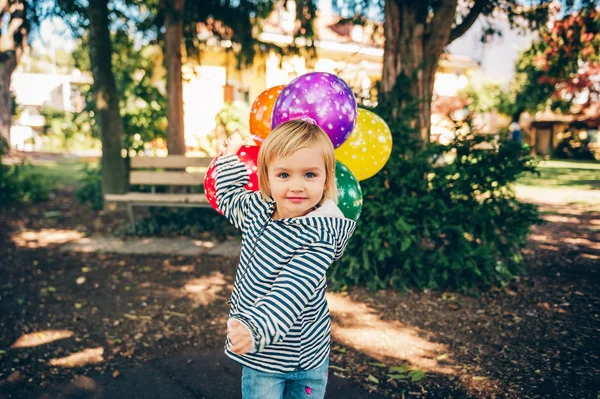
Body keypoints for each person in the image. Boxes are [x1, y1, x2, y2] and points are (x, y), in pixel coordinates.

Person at [214, 119, 356, 399]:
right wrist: (230, 158)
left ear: (326, 178)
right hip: (263, 360)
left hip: (306, 360)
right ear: (266, 177)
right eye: (284, 175)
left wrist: (253, 329)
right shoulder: (258, 210)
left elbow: (291, 291)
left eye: (310, 175)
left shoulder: (320, 234)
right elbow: (229, 197)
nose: (297, 186)